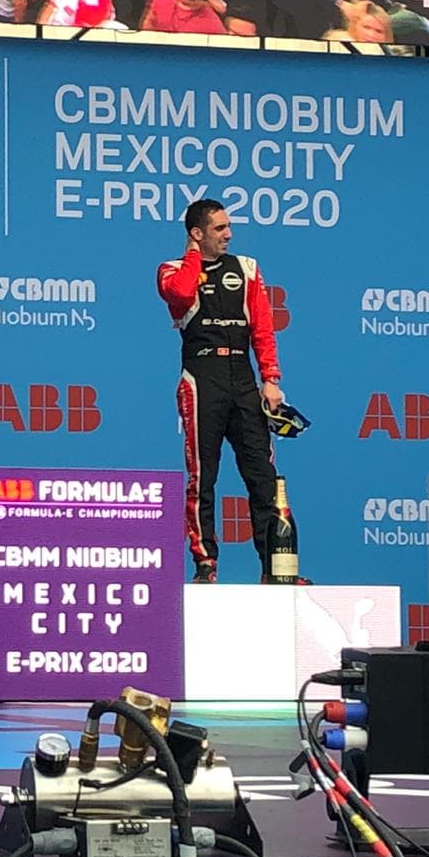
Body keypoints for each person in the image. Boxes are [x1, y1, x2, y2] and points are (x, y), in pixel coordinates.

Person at [157, 199, 291, 584]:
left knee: (262, 476)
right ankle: (205, 563)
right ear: (197, 233)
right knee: (203, 476)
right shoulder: (173, 270)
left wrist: (271, 379)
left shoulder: (247, 269)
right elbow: (182, 295)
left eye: (228, 227)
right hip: (202, 377)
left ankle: (274, 567)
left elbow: (262, 327)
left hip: (244, 378)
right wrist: (194, 256)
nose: (229, 234)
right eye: (219, 228)